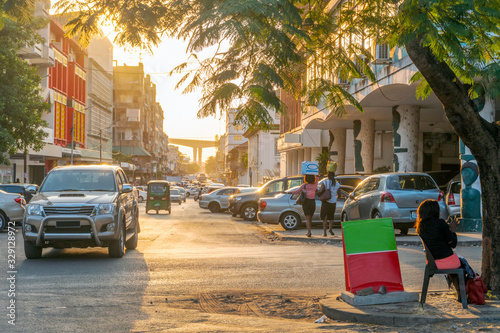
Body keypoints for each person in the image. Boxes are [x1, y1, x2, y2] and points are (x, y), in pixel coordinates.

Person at [416, 199, 464, 299]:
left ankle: (458, 292)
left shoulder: (420, 227)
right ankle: (462, 294)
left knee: (453, 263)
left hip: (432, 262)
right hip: (447, 262)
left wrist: (447, 227)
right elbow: (453, 244)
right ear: (435, 211)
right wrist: (453, 229)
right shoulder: (440, 223)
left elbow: (436, 233)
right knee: (462, 263)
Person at [317, 172, 341, 237]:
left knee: (324, 217)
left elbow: (321, 190)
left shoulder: (325, 182)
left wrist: (317, 193)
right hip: (333, 202)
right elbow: (339, 194)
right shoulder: (337, 184)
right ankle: (330, 229)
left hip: (326, 202)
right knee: (331, 217)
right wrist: (336, 198)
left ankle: (325, 233)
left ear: (328, 176)